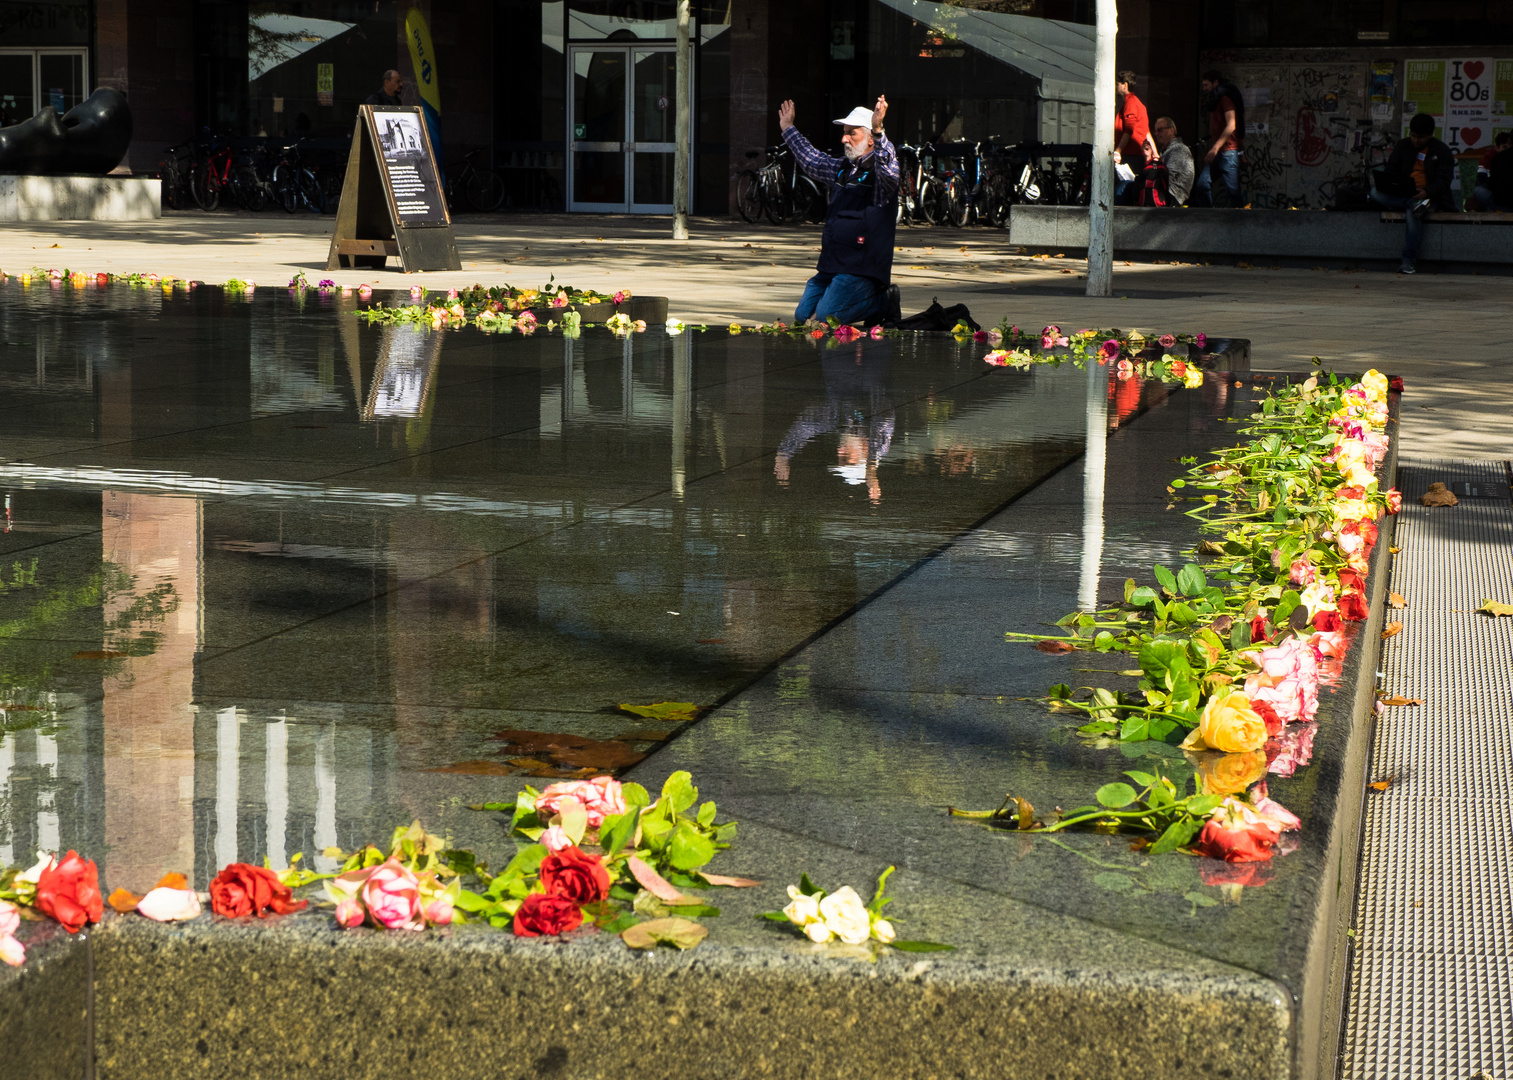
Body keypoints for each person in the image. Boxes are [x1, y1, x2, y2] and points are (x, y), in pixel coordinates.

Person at [779, 94, 901, 326]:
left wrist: (878, 129)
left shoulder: (881, 176)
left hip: (861, 268)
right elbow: (812, 159)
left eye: (852, 133)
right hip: (832, 264)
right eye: (844, 133)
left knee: (826, 319)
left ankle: (882, 301)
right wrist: (788, 128)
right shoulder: (843, 168)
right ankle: (857, 302)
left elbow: (888, 165)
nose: (844, 139)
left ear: (870, 140)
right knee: (802, 318)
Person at [1368, 112, 1456, 274]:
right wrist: (1393, 185)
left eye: (1421, 137)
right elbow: (1392, 170)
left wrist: (1427, 191)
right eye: (1413, 136)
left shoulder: (1442, 151)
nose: (1416, 140)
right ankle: (1411, 204)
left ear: (1430, 135)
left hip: (1430, 197)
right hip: (1406, 194)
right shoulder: (1403, 146)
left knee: (1413, 213)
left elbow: (1444, 181)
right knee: (1375, 192)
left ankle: (1408, 260)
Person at [1192, 70, 1245, 207]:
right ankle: (1210, 218)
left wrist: (1215, 148)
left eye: (1206, 85)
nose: (1204, 89)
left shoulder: (1225, 98)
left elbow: (1232, 125)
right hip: (1221, 152)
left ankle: (1242, 223)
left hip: (1227, 152)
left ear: (1215, 82)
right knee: (1202, 185)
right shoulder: (1216, 99)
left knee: (1233, 192)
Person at [1113, 71, 1155, 206]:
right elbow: (1146, 131)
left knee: (1123, 190)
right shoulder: (1139, 104)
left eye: (1117, 84)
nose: (1115, 87)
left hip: (1130, 154)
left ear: (1125, 85)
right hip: (1137, 154)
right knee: (1131, 189)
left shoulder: (1130, 103)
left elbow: (1129, 130)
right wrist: (1155, 154)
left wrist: (1118, 150)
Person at [1152, 117, 1194, 205]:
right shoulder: (1165, 151)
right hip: (1164, 195)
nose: (1156, 134)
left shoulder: (1179, 149)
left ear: (1171, 131)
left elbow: (1168, 178)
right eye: (1155, 131)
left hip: (1173, 199)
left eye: (1160, 130)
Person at [1472, 132, 1513, 211]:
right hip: (1498, 195)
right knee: (1479, 190)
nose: (1507, 150)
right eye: (1504, 147)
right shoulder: (1489, 158)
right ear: (1497, 148)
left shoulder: (1498, 158)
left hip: (1501, 199)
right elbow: (1481, 180)